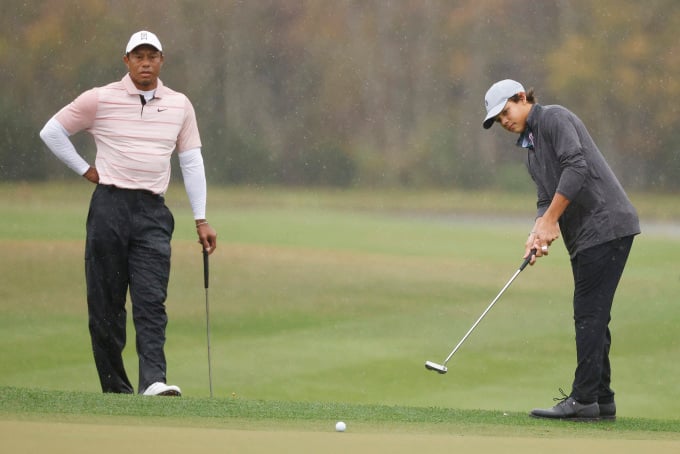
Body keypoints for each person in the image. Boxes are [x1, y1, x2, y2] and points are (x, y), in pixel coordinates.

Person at [39, 30, 217, 396]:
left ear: (162, 61)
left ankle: (153, 381)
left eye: (152, 56)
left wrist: (200, 218)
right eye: (139, 56)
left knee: (152, 301)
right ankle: (115, 390)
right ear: (127, 61)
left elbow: (191, 162)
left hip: (153, 212)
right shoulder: (101, 99)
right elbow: (52, 131)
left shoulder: (180, 105)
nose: (146, 62)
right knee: (106, 305)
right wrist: (85, 169)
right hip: (109, 208)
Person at [482, 79, 640, 420]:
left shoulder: (554, 119)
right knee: (594, 313)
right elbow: (545, 199)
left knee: (588, 313)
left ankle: (584, 399)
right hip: (587, 235)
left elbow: (576, 167)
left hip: (607, 226)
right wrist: (537, 232)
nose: (504, 122)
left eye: (506, 112)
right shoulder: (531, 151)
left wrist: (551, 220)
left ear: (521, 98)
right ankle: (601, 397)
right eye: (498, 120)